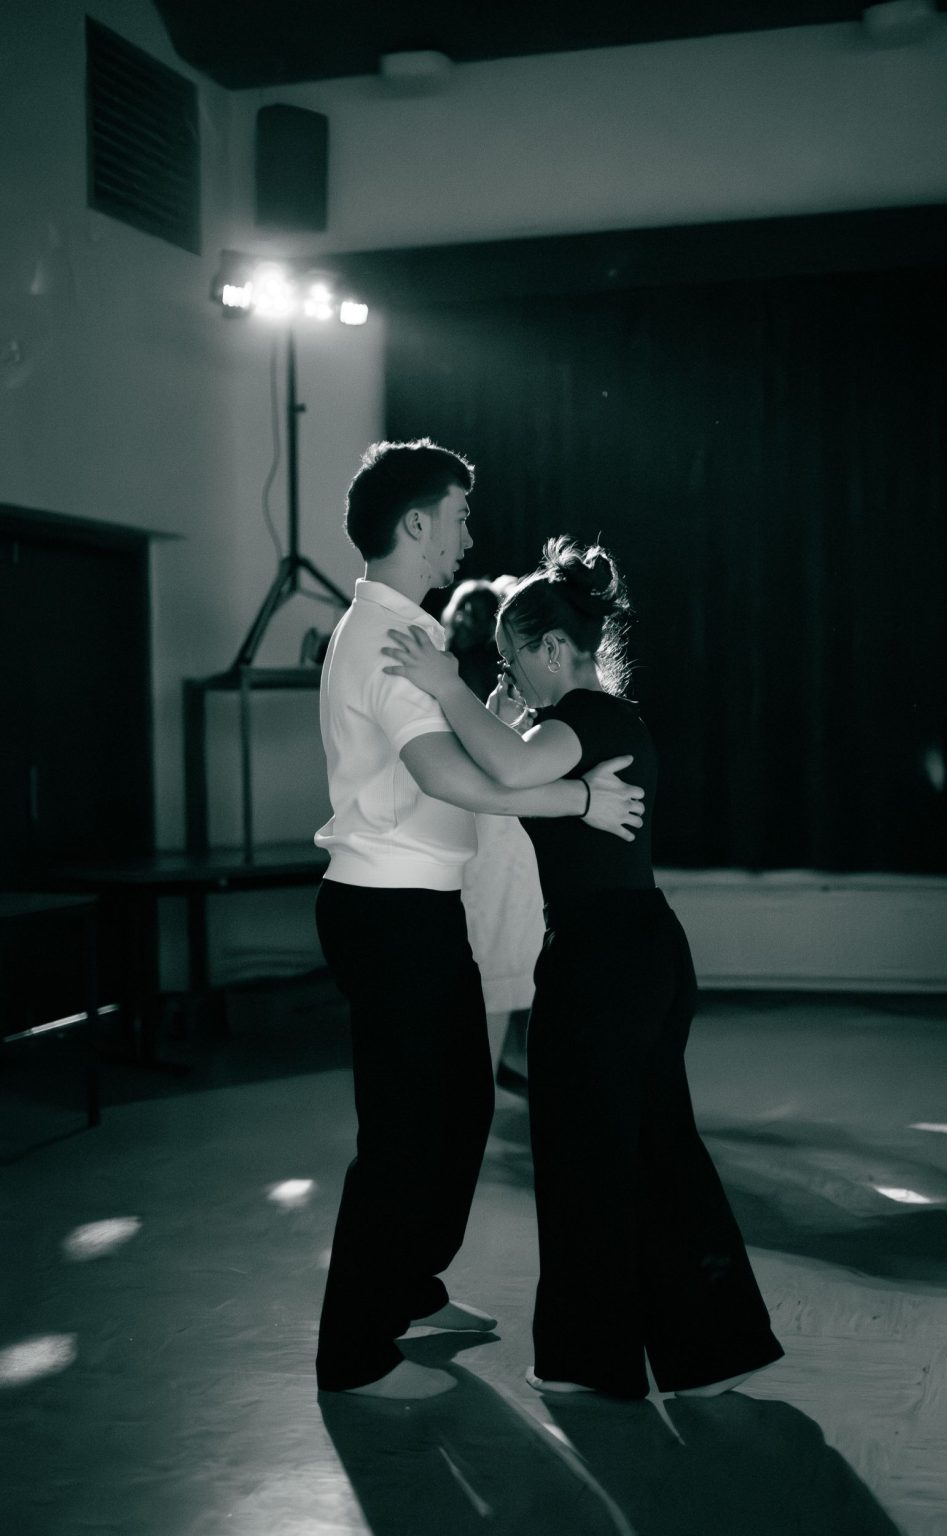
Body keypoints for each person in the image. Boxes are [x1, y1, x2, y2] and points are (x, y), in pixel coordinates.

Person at [382, 535, 785, 1400]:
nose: (509, 675)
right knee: (649, 1148)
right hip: (628, 954)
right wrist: (495, 714)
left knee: (587, 1158)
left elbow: (510, 767)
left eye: (512, 658)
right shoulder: (591, 724)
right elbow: (505, 776)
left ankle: (589, 1362)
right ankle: (712, 1351)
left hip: (607, 962)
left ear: (554, 648)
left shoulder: (588, 718)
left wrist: (448, 686)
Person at [313, 442, 646, 1402]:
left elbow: (452, 755)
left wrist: (478, 709)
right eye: (457, 514)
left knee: (458, 1109)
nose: (466, 534)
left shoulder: (407, 633)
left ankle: (407, 1290)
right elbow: (449, 777)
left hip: (419, 907)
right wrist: (581, 802)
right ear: (415, 523)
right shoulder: (388, 638)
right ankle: (354, 1355)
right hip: (387, 911)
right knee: (404, 1132)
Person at [441, 580, 545, 1077]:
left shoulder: (465, 677)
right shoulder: (480, 679)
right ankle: (495, 1069)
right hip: (492, 825)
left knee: (497, 947)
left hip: (490, 827)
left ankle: (497, 1068)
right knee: (498, 949)